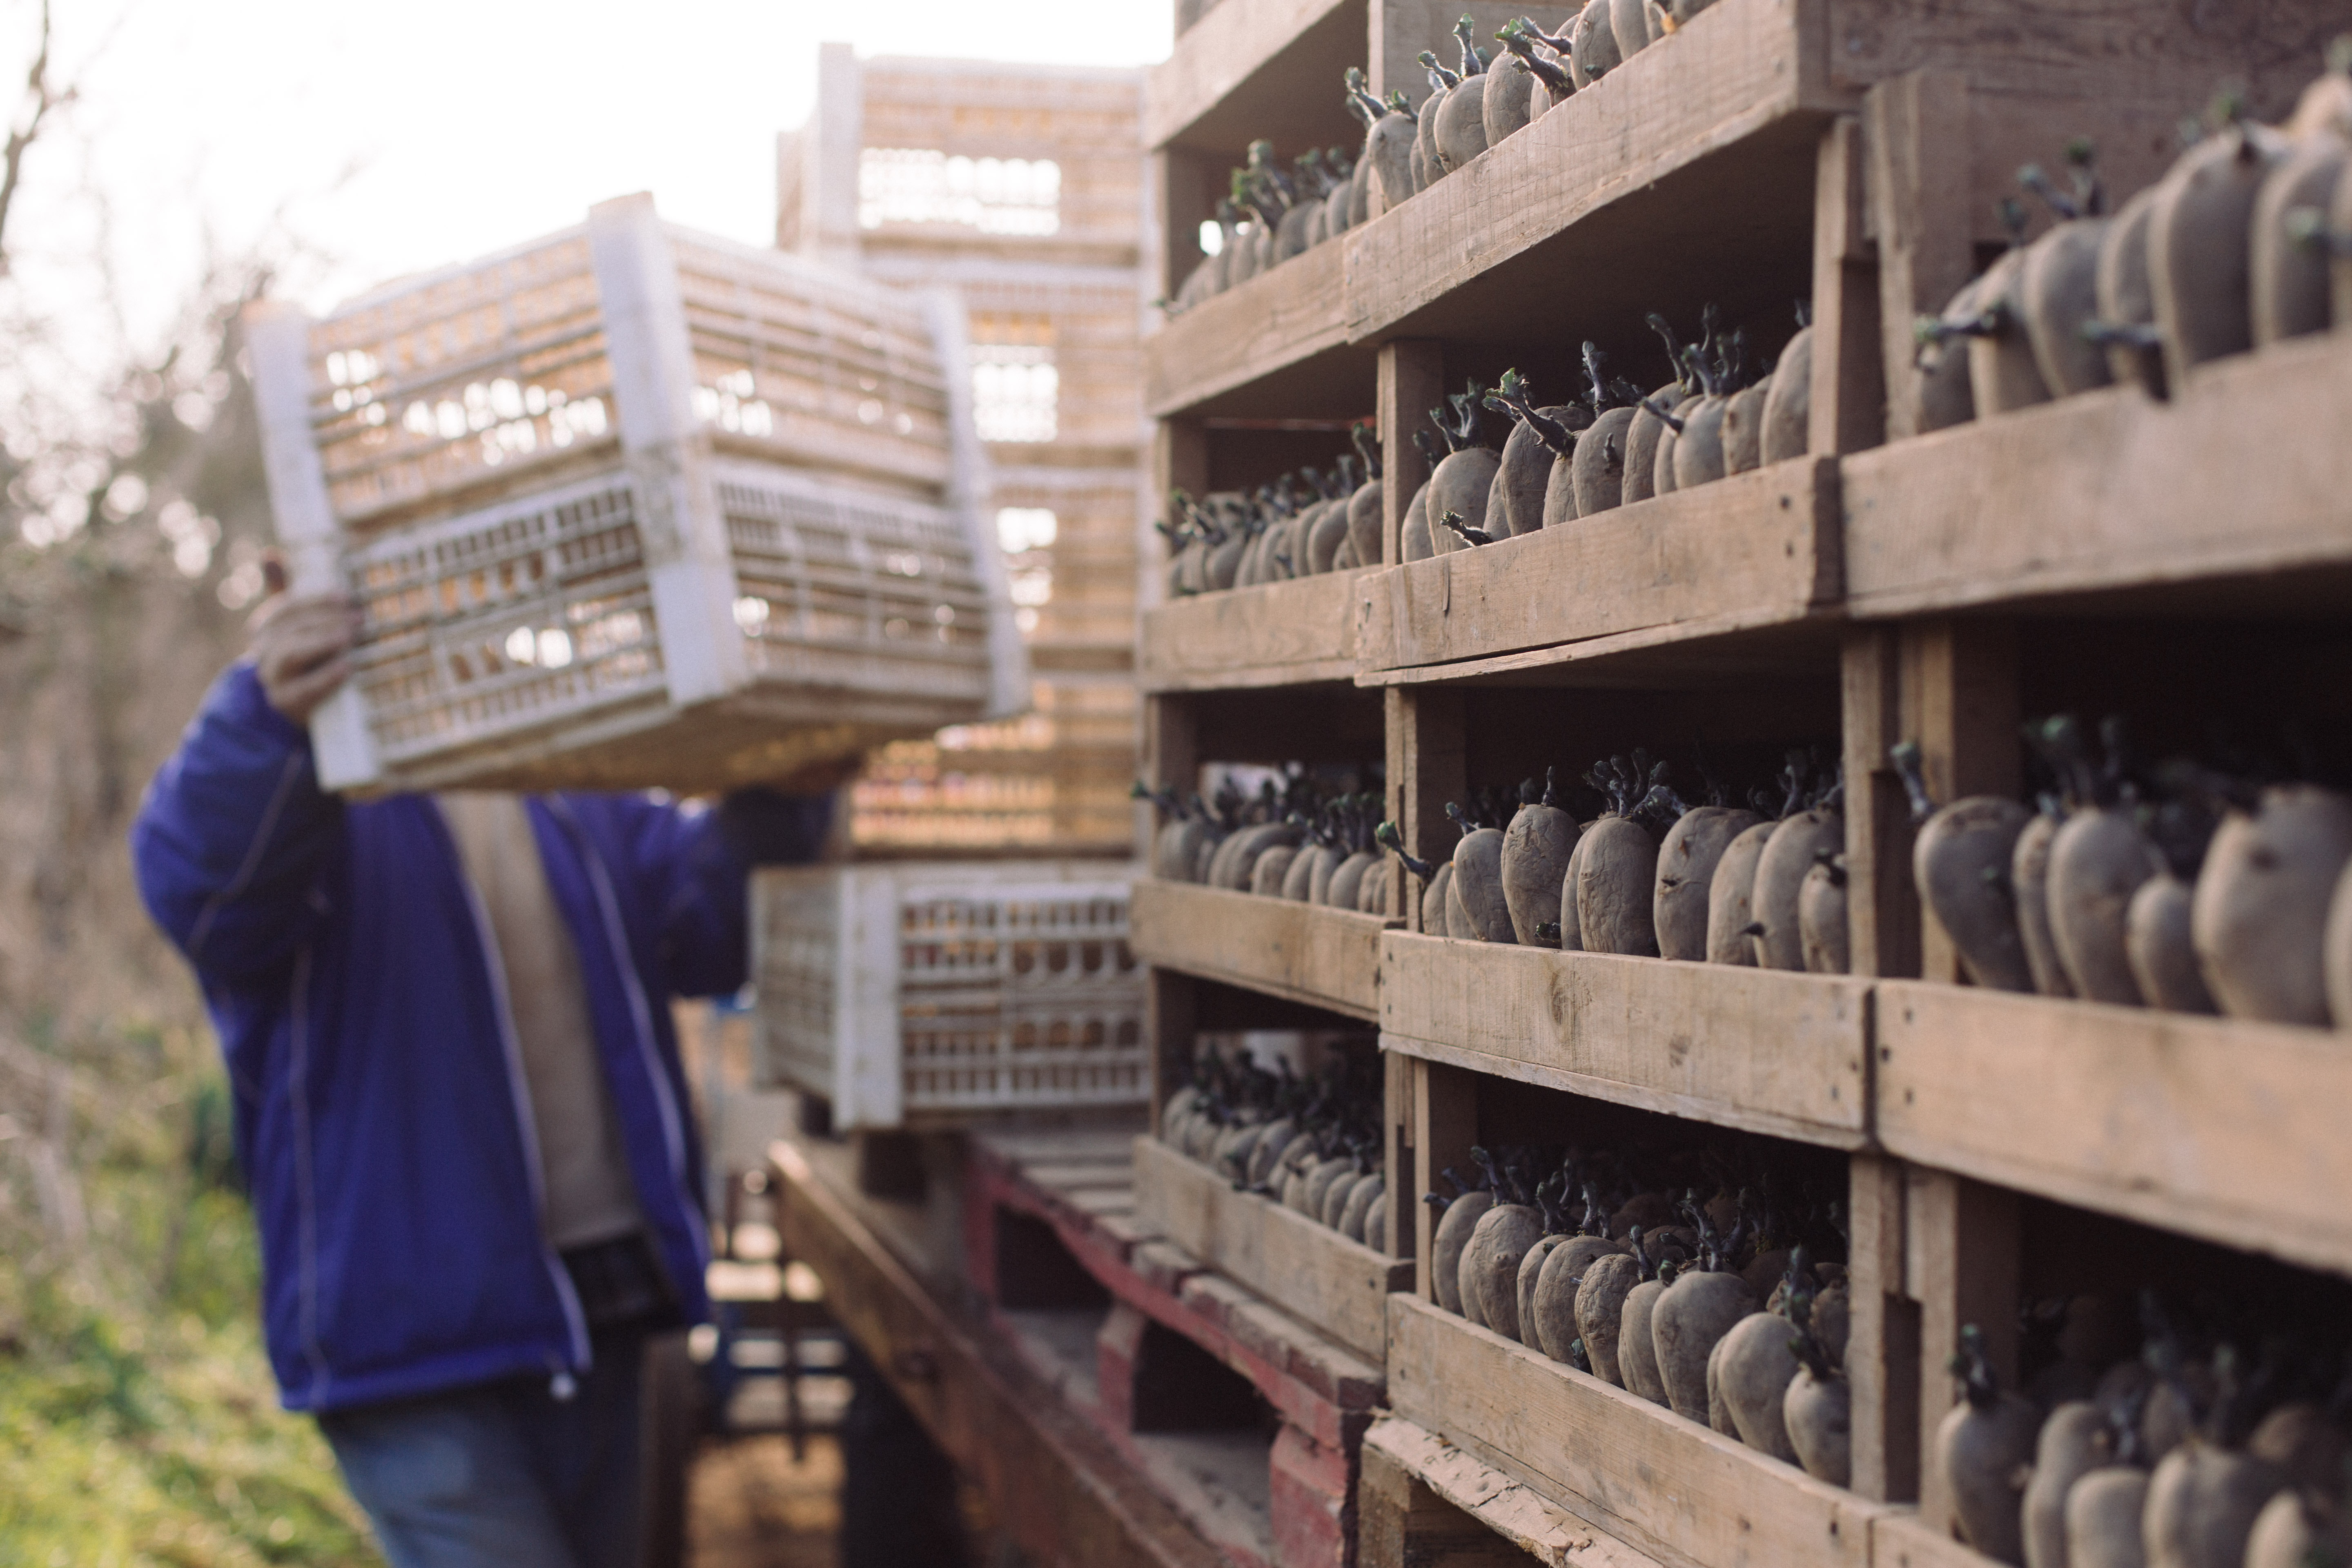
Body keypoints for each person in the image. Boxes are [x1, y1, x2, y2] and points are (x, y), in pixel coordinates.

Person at [131, 566, 838, 1568]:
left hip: (608, 1312)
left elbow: (708, 929)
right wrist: (263, 714)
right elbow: (197, 891)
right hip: (424, 1348)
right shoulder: (320, 793)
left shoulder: (562, 795)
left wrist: (780, 795)